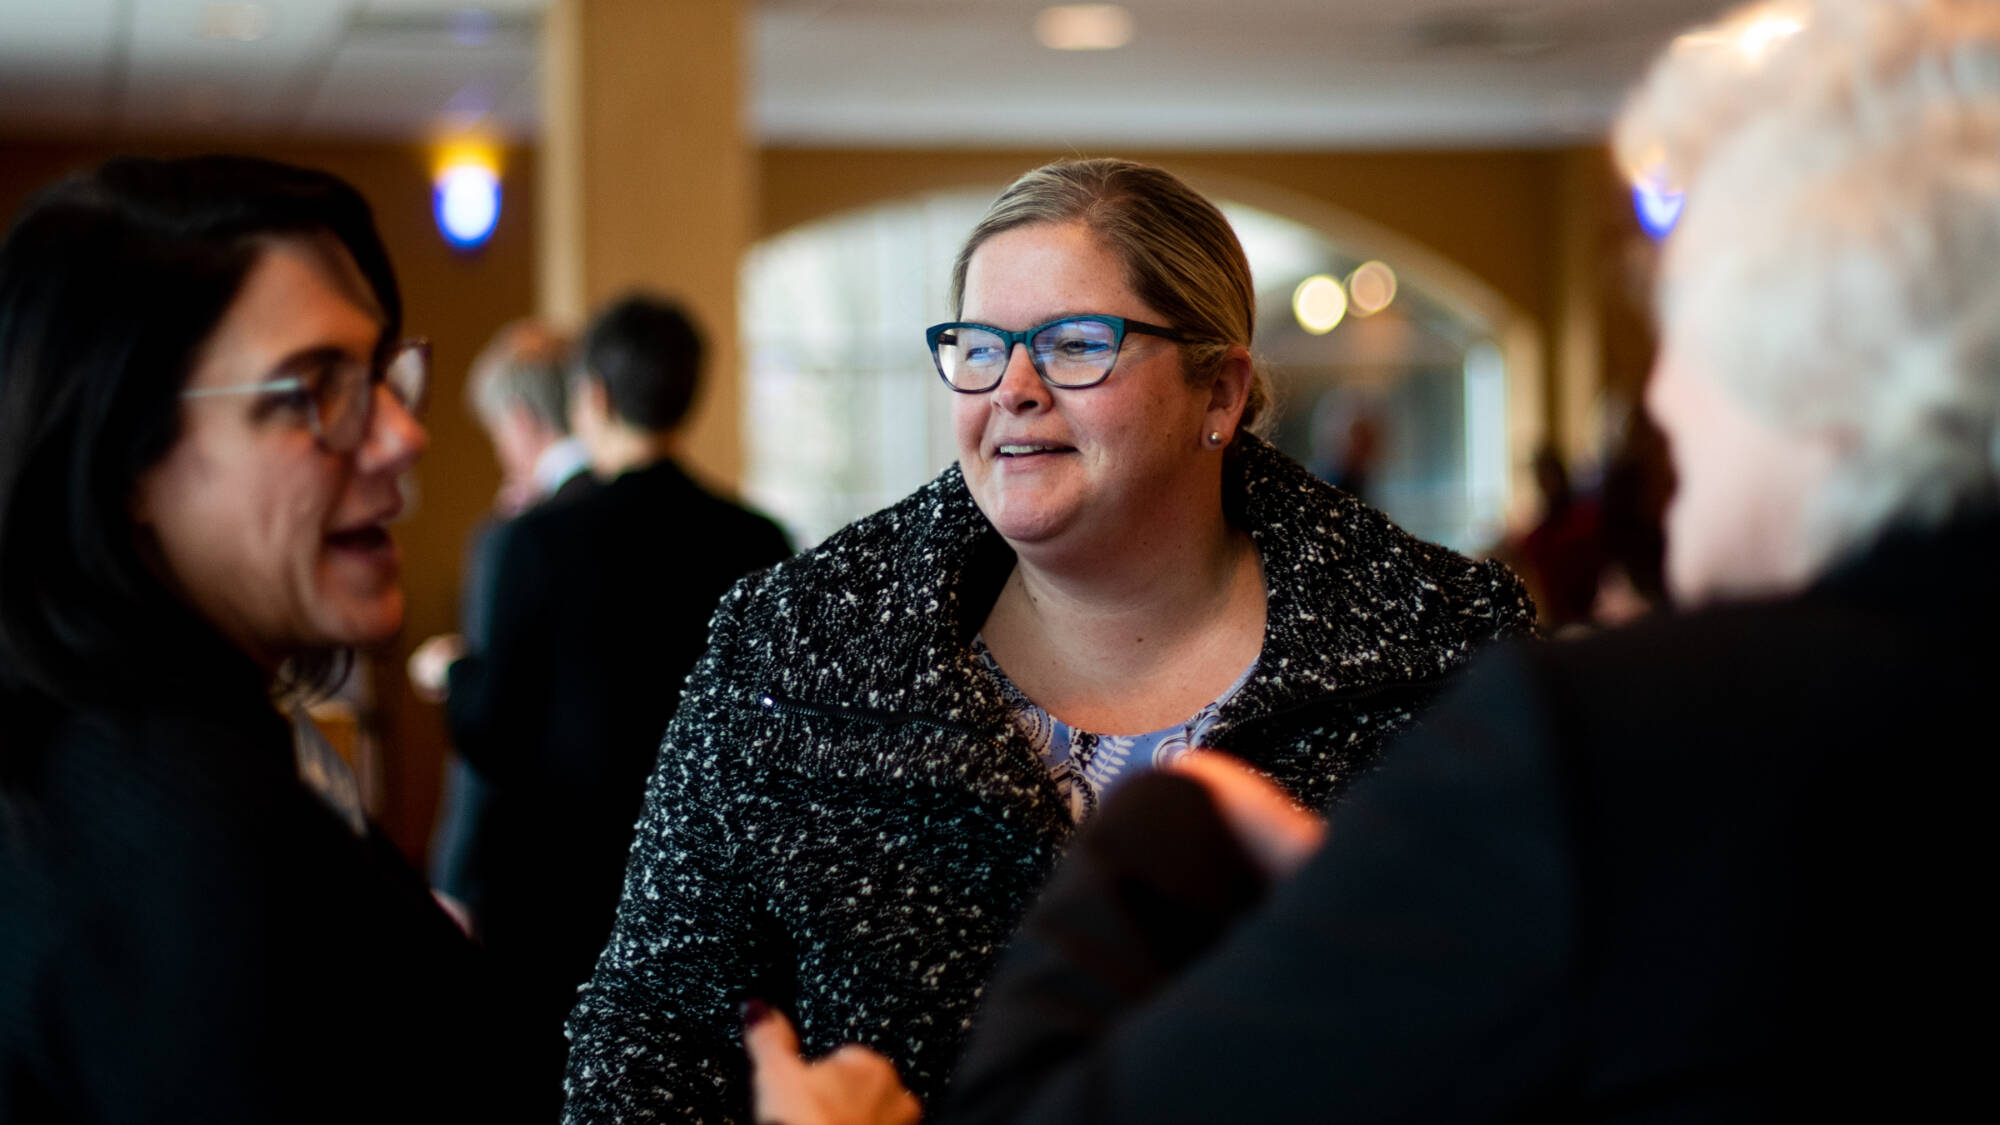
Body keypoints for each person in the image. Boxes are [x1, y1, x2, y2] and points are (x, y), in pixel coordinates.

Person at [746, 2, 2000, 1121]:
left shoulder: (1597, 737)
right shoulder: (795, 632)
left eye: (1682, 328)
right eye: (977, 346)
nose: (1660, 397)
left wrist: (1163, 842)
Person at [562, 158, 1537, 1123]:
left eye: (1074, 344)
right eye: (979, 348)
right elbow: (646, 1041)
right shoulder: (791, 648)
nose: (1013, 388)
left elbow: (1542, 1036)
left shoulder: (1446, 653)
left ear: (1219, 393)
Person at [0, 155, 514, 1119]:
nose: (403, 434)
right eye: (311, 391)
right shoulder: (173, 847)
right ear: (123, 458)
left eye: (381, 374)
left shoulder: (164, 740)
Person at [417, 292, 792, 1110]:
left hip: (559, 898)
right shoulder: (756, 539)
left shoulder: (536, 539)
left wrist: (454, 676)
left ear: (591, 395)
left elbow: (494, 730)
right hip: (701, 893)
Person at [420, 318, 594, 931]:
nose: (499, 449)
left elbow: (495, 730)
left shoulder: (516, 536)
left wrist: (456, 876)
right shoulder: (635, 513)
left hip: (530, 866)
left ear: (520, 419)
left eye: (496, 429)